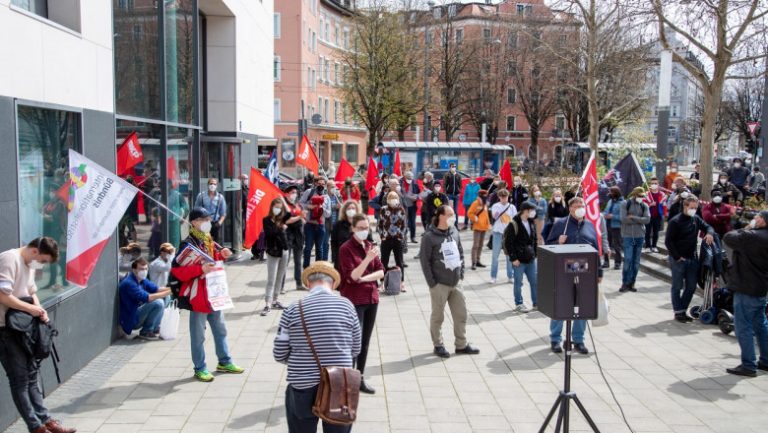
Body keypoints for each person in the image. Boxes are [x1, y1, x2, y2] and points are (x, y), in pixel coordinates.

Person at [273, 261, 361, 433]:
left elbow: (279, 353)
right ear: (333, 284)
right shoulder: (347, 306)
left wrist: (300, 360)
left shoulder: (292, 309)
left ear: (308, 283)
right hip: (339, 382)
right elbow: (356, 348)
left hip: (302, 383)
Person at [0, 238, 77, 433]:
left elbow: (31, 291)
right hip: (5, 329)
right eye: (42, 261)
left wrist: (40, 310)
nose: (41, 265)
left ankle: (46, 420)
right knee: (19, 379)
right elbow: (2, 295)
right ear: (35, 251)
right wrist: (31, 309)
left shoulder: (30, 263)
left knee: (32, 376)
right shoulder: (9, 259)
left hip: (25, 327)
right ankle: (36, 427)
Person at [171, 207, 243, 382]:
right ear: (194, 222)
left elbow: (212, 260)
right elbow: (177, 272)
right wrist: (200, 269)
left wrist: (221, 254)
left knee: (221, 329)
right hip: (198, 297)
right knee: (198, 335)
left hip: (214, 293)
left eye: (208, 219)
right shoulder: (187, 244)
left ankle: (225, 361)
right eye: (204, 220)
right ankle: (200, 367)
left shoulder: (208, 239)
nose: (207, 223)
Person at [419, 205, 480, 358]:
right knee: (438, 317)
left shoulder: (454, 231)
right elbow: (424, 261)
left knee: (461, 314)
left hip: (456, 282)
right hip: (439, 284)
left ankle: (461, 344)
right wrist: (432, 283)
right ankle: (438, 345)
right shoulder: (429, 237)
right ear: (440, 216)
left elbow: (460, 252)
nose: (453, 217)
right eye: (450, 214)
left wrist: (461, 272)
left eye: (453, 214)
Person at [545, 197, 603, 355]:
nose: (580, 208)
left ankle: (578, 339)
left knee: (582, 306)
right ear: (570, 208)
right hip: (563, 273)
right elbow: (548, 245)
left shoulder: (589, 225)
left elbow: (595, 250)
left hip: (585, 273)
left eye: (582, 205)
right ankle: (555, 339)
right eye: (576, 206)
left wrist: (599, 271)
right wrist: (558, 243)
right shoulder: (560, 224)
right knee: (561, 304)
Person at [338, 215, 385, 394]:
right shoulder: (346, 248)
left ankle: (360, 378)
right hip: (354, 300)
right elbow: (352, 276)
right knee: (353, 343)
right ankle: (348, 381)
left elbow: (381, 271)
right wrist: (367, 260)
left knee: (365, 341)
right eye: (360, 228)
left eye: (367, 227)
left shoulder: (370, 246)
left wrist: (365, 279)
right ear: (353, 229)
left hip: (371, 298)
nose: (364, 231)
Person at [722, 210, 768, 377]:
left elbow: (728, 237)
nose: (754, 219)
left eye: (757, 217)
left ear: (763, 221)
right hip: (761, 288)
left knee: (743, 327)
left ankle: (748, 365)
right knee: (761, 325)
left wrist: (748, 227)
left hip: (746, 287)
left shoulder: (752, 236)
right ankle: (766, 360)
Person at [664, 197, 715, 323]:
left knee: (691, 286)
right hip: (679, 259)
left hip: (692, 258)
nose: (693, 210)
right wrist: (677, 256)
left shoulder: (695, 219)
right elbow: (668, 241)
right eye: (691, 207)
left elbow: (708, 227)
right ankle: (678, 312)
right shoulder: (675, 221)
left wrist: (709, 233)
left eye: (695, 208)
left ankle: (682, 310)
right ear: (685, 206)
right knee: (677, 286)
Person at [119, 257, 172, 340]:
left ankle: (155, 328)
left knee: (166, 297)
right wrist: (171, 291)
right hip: (131, 318)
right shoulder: (129, 283)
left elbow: (156, 289)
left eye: (146, 269)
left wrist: (173, 289)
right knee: (158, 302)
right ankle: (146, 331)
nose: (144, 271)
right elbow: (148, 298)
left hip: (139, 312)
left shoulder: (142, 279)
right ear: (134, 270)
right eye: (141, 269)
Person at [503, 202, 538, 312]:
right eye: (531, 210)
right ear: (525, 210)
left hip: (530, 259)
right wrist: (513, 258)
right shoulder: (514, 224)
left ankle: (536, 303)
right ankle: (519, 303)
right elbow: (509, 243)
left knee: (534, 281)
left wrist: (535, 254)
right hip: (518, 260)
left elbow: (534, 240)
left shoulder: (531, 222)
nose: (533, 212)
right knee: (518, 283)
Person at [261, 198, 289, 316]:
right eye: (276, 207)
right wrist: (281, 228)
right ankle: (268, 303)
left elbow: (290, 213)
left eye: (280, 207)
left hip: (284, 250)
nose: (278, 209)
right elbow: (270, 233)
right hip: (273, 251)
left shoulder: (282, 218)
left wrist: (283, 200)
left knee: (280, 277)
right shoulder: (266, 220)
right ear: (272, 207)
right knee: (271, 279)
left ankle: (275, 300)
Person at [620, 188, 650, 292]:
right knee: (628, 259)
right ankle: (625, 282)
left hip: (640, 236)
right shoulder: (625, 204)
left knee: (636, 262)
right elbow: (624, 219)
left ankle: (632, 282)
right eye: (640, 196)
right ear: (634, 195)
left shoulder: (644, 206)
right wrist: (640, 220)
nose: (641, 198)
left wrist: (633, 217)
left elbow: (647, 220)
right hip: (628, 236)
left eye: (643, 196)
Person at [300, 177, 331, 267]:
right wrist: (309, 206)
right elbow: (300, 203)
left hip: (321, 225)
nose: (321, 185)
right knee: (308, 247)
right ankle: (306, 267)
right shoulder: (309, 192)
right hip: (309, 224)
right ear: (315, 183)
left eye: (323, 184)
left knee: (319, 248)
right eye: (319, 183)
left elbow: (328, 214)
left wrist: (322, 208)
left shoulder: (326, 197)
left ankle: (318, 267)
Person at [489, 189, 517, 284]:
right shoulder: (495, 206)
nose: (504, 198)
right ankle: (493, 276)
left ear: (508, 197)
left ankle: (510, 276)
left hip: (509, 234)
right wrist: (499, 212)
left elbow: (515, 220)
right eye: (502, 197)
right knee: (495, 256)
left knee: (509, 256)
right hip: (497, 232)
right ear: (499, 197)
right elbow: (494, 216)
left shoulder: (512, 207)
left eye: (505, 197)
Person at [378, 191, 406, 284]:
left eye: (395, 198)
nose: (393, 200)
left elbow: (404, 225)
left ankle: (401, 282)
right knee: (384, 261)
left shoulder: (401, 209)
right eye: (391, 198)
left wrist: (401, 236)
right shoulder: (383, 209)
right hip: (386, 239)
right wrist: (382, 236)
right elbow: (380, 224)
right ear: (388, 200)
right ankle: (382, 282)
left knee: (400, 261)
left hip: (397, 239)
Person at [283, 185, 306, 291]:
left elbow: (301, 217)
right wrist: (299, 217)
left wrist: (303, 219)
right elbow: (286, 221)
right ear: (287, 193)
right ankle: (281, 286)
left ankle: (299, 284)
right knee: (285, 262)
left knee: (298, 261)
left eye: (295, 192)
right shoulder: (284, 205)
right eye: (292, 192)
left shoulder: (296, 204)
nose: (295, 194)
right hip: (288, 236)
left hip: (298, 236)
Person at [194, 178, 227, 242]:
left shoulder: (220, 197)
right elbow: (196, 210)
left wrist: (219, 223)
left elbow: (223, 213)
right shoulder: (201, 196)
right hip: (204, 223)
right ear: (208, 184)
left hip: (215, 224)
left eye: (214, 184)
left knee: (214, 244)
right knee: (204, 243)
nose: (212, 185)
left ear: (216, 186)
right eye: (211, 183)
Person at [331, 201, 361, 269]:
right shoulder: (338, 225)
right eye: (349, 209)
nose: (351, 210)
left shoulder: (362, 224)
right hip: (341, 259)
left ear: (357, 210)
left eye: (353, 208)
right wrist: (335, 258)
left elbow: (369, 241)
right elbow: (334, 243)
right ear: (344, 211)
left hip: (358, 259)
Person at [466, 190, 491, 270]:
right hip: (477, 227)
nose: (485, 197)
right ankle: (473, 262)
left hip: (484, 227)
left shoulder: (485, 204)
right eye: (484, 195)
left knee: (480, 245)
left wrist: (488, 224)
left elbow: (486, 216)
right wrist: (475, 218)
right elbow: (469, 213)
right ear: (481, 195)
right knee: (476, 245)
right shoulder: (475, 203)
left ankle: (478, 260)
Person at [603, 187, 624, 271]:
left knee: (617, 245)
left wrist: (613, 216)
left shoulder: (623, 203)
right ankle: (606, 261)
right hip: (607, 225)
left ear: (616, 193)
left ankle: (617, 263)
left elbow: (623, 217)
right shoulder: (610, 201)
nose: (609, 193)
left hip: (617, 227)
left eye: (611, 192)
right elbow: (605, 211)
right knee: (606, 244)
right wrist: (604, 215)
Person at [643, 178, 666, 253]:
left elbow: (664, 205)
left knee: (656, 232)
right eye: (652, 183)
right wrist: (650, 204)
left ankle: (654, 246)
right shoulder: (647, 194)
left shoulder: (662, 194)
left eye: (655, 183)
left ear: (658, 184)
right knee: (647, 232)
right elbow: (643, 205)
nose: (654, 185)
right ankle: (647, 246)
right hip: (648, 216)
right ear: (650, 185)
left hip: (657, 216)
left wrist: (664, 214)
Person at [322, 183, 342, 263]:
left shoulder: (337, 197)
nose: (334, 188)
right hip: (327, 223)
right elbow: (324, 208)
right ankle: (324, 260)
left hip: (336, 223)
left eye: (335, 187)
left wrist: (339, 203)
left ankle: (334, 260)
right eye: (332, 187)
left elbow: (341, 206)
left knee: (335, 242)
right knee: (325, 242)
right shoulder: (324, 197)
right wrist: (334, 207)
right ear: (328, 187)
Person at [401, 171, 420, 243]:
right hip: (404, 206)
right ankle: (404, 237)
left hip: (412, 206)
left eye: (411, 178)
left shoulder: (415, 184)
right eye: (408, 178)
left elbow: (418, 194)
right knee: (404, 222)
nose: (409, 179)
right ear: (405, 177)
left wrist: (416, 197)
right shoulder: (401, 184)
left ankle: (413, 237)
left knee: (412, 222)